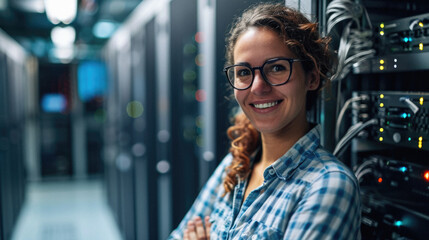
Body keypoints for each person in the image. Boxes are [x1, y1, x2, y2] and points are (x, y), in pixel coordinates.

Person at [168, 2, 361, 239]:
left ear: (311, 78)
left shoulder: (327, 186)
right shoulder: (236, 164)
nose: (258, 87)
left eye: (277, 68)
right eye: (244, 72)